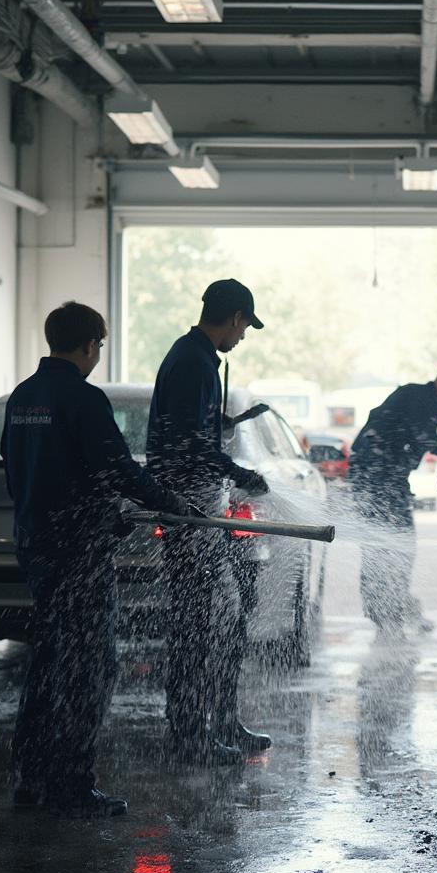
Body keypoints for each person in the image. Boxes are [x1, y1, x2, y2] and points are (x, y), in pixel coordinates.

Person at [1, 301, 191, 819]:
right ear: (89, 345)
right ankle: (71, 786)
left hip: (38, 547)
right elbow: (117, 469)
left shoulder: (23, 397)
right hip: (78, 553)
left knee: (48, 659)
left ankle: (30, 776)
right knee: (90, 667)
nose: (97, 355)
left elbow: (19, 471)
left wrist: (101, 513)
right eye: (99, 346)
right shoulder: (83, 399)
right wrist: (169, 501)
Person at [146, 278, 272, 766]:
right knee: (196, 625)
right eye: (244, 327)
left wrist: (216, 435)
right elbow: (185, 442)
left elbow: (191, 431)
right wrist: (237, 470)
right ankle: (190, 735)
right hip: (190, 510)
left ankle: (220, 722)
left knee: (222, 619)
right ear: (236, 317)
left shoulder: (193, 359)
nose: (242, 337)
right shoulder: (193, 362)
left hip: (202, 508)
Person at [349, 359, 437, 635]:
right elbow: (423, 439)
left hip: (382, 477)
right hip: (375, 477)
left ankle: (391, 608)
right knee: (388, 544)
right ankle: (385, 611)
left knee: (394, 543)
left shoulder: (422, 399)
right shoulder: (420, 398)